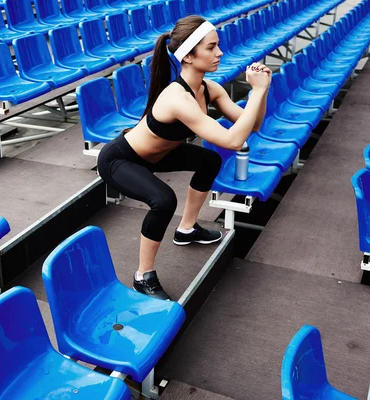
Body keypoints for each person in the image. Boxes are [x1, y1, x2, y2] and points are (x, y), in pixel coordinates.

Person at [97, 15, 272, 300]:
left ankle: (187, 230)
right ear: (188, 56)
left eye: (218, 46)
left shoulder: (207, 88)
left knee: (209, 160)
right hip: (121, 159)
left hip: (158, 155)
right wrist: (257, 91)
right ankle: (143, 276)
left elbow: (252, 125)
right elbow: (233, 140)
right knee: (163, 200)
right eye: (211, 47)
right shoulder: (177, 98)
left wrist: (260, 93)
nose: (220, 53)